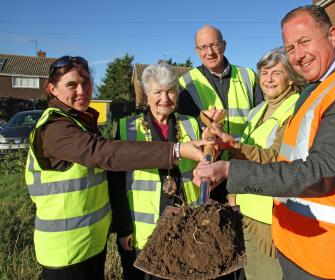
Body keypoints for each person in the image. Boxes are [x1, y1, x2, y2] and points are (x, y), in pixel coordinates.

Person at [193, 5, 335, 280]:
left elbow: (322, 171)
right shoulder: (316, 90)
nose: (298, 56)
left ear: (333, 35)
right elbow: (288, 158)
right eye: (290, 48)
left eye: (304, 42)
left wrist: (231, 171)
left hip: (326, 249)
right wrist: (233, 147)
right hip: (293, 237)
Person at [25, 56, 208, 280]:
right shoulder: (56, 127)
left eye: (86, 83)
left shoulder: (81, 121)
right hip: (67, 249)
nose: (81, 91)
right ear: (52, 89)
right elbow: (105, 155)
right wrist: (176, 151)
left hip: (91, 243)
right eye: (71, 85)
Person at [205, 47, 305, 280]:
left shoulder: (295, 110)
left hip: (271, 218)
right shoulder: (257, 110)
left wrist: (234, 146)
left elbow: (277, 158)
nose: (268, 79)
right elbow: (246, 153)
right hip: (246, 210)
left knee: (268, 274)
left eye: (276, 73)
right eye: (264, 73)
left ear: (290, 77)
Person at [109, 62, 201, 280]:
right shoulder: (127, 128)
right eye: (158, 92)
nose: (165, 98)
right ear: (146, 95)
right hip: (143, 232)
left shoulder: (191, 124)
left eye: (170, 91)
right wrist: (123, 228)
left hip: (185, 227)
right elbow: (115, 183)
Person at [178, 24, 264, 202]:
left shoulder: (248, 76)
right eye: (203, 47)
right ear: (196, 50)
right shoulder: (186, 82)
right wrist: (205, 124)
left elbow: (261, 118)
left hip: (244, 163)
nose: (209, 52)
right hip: (208, 170)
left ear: (224, 45)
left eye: (214, 45)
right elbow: (184, 127)